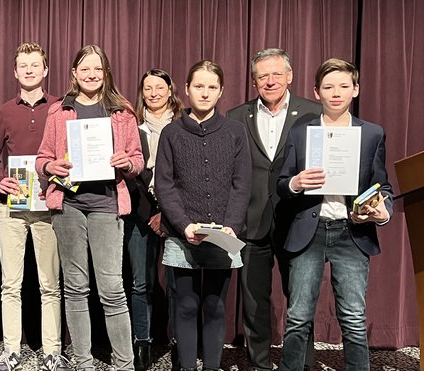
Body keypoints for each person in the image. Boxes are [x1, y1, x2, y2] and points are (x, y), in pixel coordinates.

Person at [277, 58, 391, 371]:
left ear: (356, 89)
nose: (336, 93)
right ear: (316, 92)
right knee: (298, 317)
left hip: (352, 234)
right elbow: (282, 184)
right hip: (309, 232)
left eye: (343, 86)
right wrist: (296, 182)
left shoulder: (372, 134)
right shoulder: (302, 132)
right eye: (328, 87)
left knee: (353, 318)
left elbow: (383, 186)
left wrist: (381, 213)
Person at [35, 44, 143, 370]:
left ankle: (124, 364)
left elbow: (137, 160)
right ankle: (83, 361)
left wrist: (128, 163)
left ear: (106, 72)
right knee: (76, 288)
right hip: (68, 205)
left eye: (97, 68)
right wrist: (50, 167)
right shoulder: (59, 111)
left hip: (107, 204)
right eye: (85, 69)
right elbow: (42, 159)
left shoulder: (121, 112)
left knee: (112, 290)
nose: (91, 74)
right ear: (74, 74)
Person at [224, 48, 322, 371]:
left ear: (290, 76)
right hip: (251, 222)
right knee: (254, 301)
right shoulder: (236, 117)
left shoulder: (313, 114)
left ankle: (301, 364)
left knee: (300, 301)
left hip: (297, 220)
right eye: (262, 76)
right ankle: (260, 364)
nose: (270, 81)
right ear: (253, 81)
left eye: (276, 74)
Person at [154, 60, 251, 371]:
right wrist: (184, 225)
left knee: (214, 304)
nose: (205, 92)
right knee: (185, 305)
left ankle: (211, 366)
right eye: (199, 86)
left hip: (223, 235)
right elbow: (165, 185)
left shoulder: (235, 132)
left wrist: (232, 226)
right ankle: (186, 366)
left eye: (212, 87)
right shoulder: (171, 132)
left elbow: (241, 183)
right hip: (183, 236)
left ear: (221, 91)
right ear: (186, 89)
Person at [0, 42, 69, 371]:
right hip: (12, 207)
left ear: (46, 69)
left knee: (50, 284)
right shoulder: (6, 110)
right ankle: (11, 351)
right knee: (11, 284)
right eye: (23, 65)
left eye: (35, 65)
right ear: (15, 72)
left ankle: (52, 351)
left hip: (49, 206)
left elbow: (67, 153)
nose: (30, 70)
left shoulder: (61, 107)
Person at [124, 68, 183, 370]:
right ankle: (142, 344)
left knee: (176, 284)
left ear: (171, 90)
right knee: (140, 283)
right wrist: (153, 211)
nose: (154, 93)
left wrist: (167, 212)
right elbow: (131, 175)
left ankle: (178, 344)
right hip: (140, 215)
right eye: (148, 88)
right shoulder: (133, 128)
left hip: (177, 217)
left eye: (159, 87)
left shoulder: (184, 127)